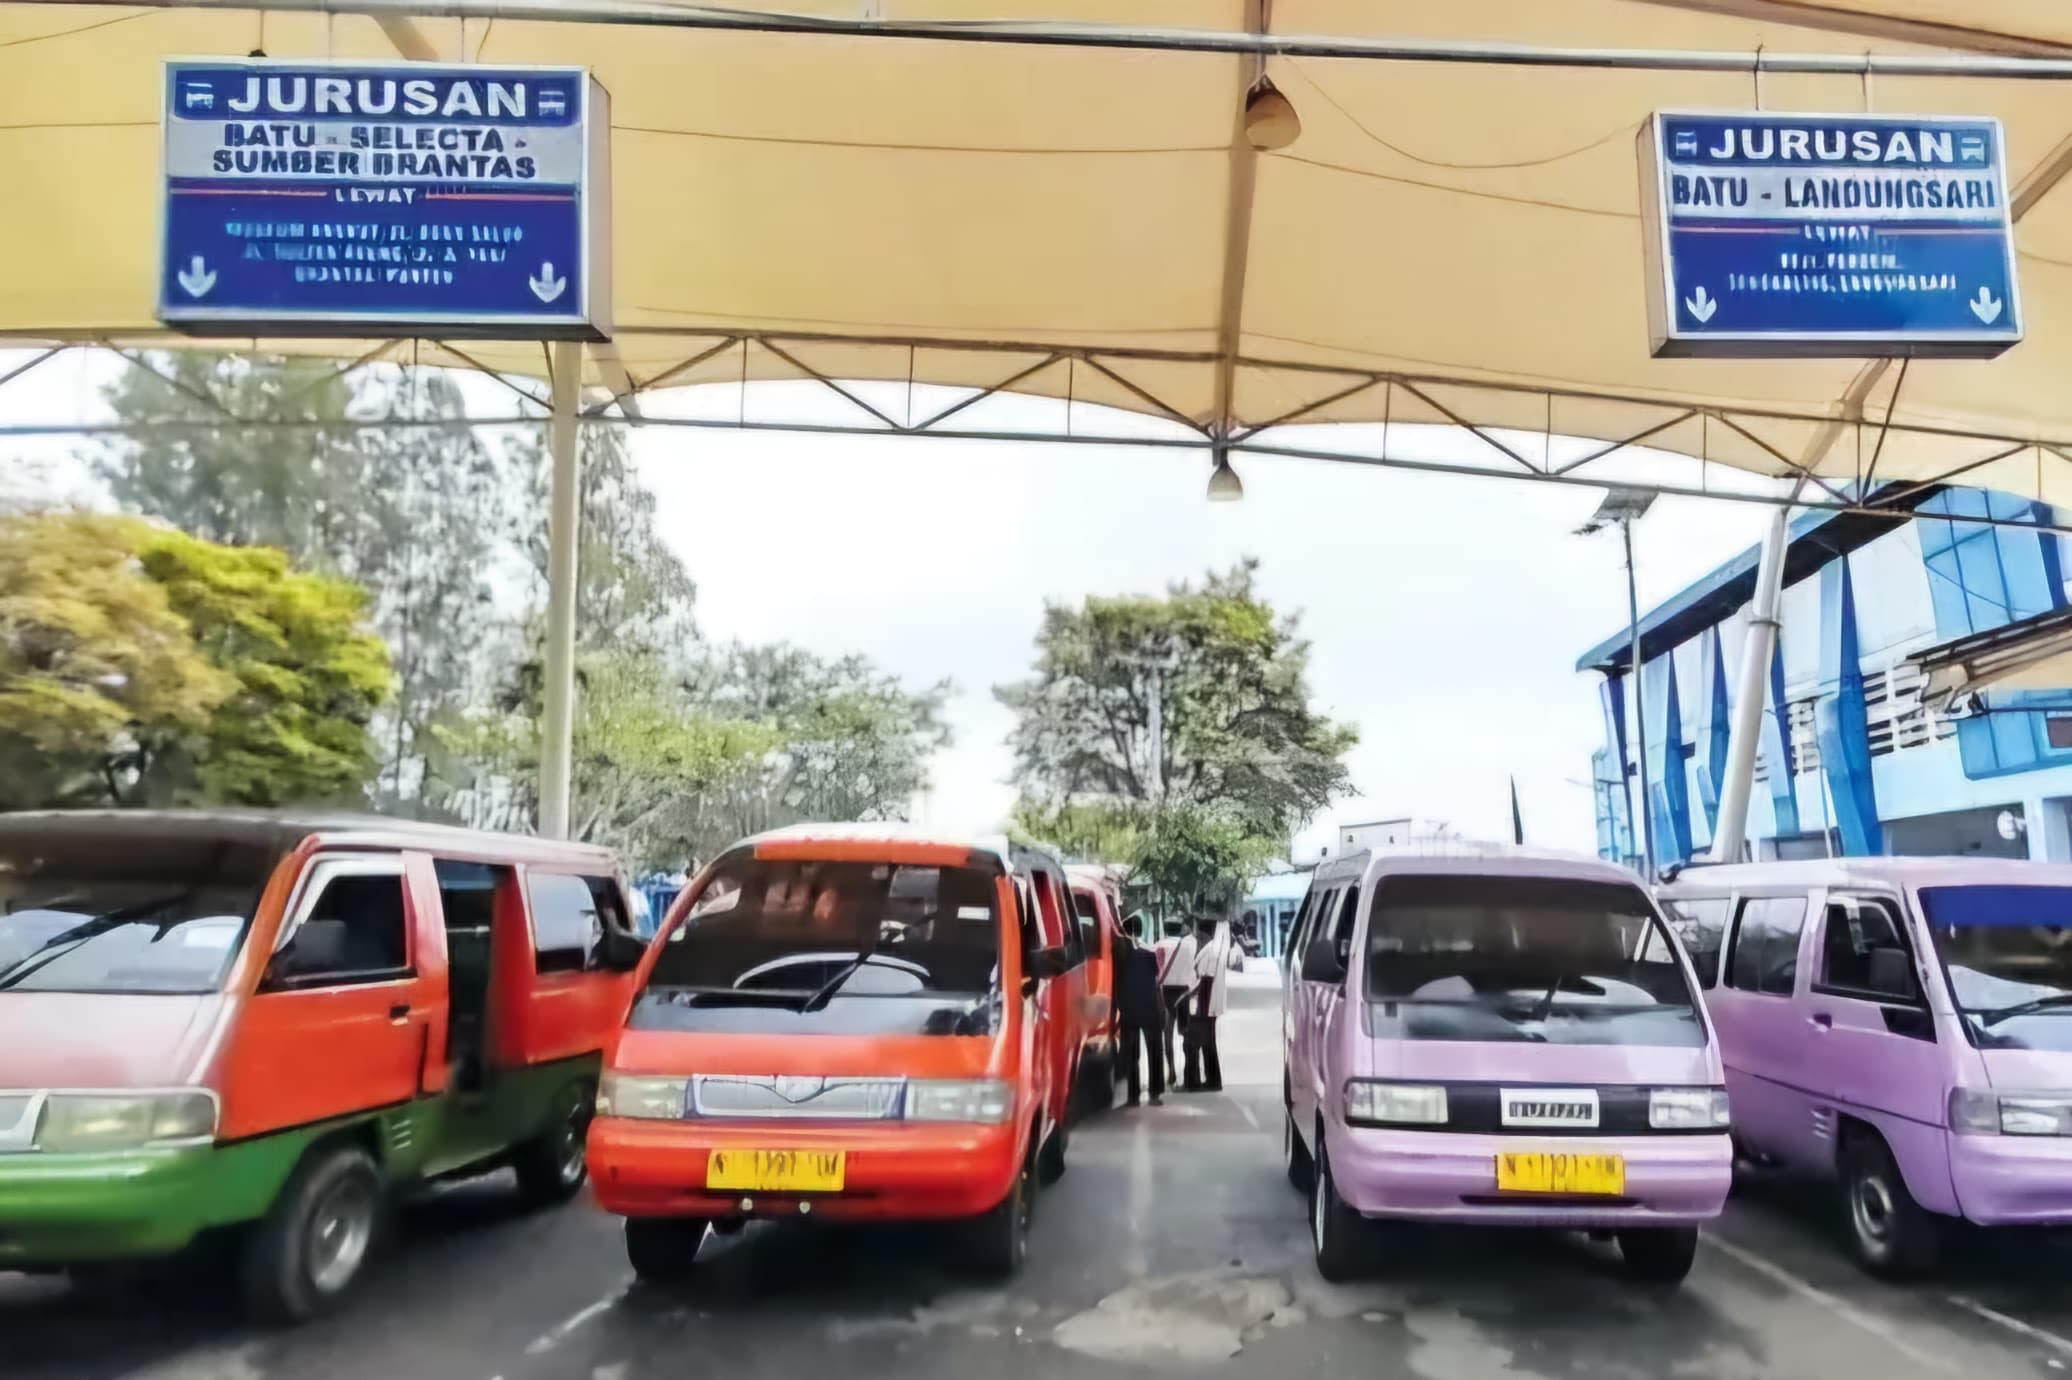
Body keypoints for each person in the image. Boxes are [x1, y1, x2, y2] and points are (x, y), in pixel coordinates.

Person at [1113, 925, 1165, 1106]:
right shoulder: (1147, 955)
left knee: (1131, 1054)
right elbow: (1157, 976)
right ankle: (1155, 1093)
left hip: (1129, 1011)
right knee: (1155, 1052)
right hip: (1149, 1009)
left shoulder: (1117, 961)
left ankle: (1133, 1097)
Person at [1183, 913, 1233, 1093]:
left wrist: (1192, 1000)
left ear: (1203, 932)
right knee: (1208, 1043)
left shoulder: (1210, 952)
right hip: (1207, 1003)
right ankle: (1213, 1079)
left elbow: (1206, 981)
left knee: (1196, 1042)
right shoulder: (1211, 949)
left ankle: (1199, 1081)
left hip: (1205, 1004)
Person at [1155, 919, 1197, 1088]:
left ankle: (1171, 1071)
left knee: (1167, 1034)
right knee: (1187, 1033)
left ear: (1164, 929)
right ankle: (1189, 1071)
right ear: (1180, 929)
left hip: (1165, 992)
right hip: (1184, 991)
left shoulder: (1158, 945)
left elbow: (1156, 971)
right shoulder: (1188, 946)